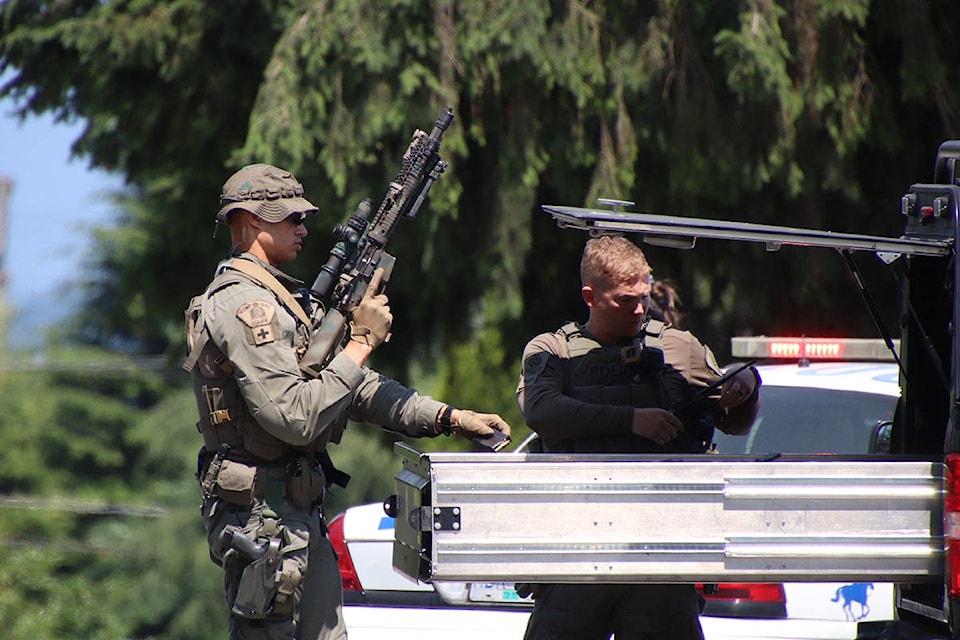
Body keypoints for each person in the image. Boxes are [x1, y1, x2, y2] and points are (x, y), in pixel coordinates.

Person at [182, 163, 512, 640]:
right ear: (251, 221)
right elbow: (294, 416)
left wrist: (450, 418)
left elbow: (352, 389)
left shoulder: (283, 300)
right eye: (290, 218)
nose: (303, 228)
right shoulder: (242, 304)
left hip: (296, 513)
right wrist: (360, 342)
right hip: (265, 520)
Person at [515, 235, 760, 640]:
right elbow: (541, 411)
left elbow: (734, 421)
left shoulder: (678, 348)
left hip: (660, 554)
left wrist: (750, 384)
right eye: (625, 300)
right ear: (590, 296)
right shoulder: (551, 351)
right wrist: (632, 420)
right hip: (576, 552)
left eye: (643, 296)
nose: (640, 308)